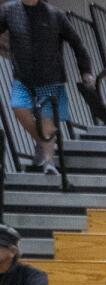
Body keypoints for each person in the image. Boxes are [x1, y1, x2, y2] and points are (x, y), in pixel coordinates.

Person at [0, 0, 93, 174]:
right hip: (23, 77)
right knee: (18, 107)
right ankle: (43, 143)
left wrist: (86, 72)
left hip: (51, 77)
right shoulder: (8, 11)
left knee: (47, 118)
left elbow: (77, 44)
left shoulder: (55, 14)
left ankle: (49, 162)